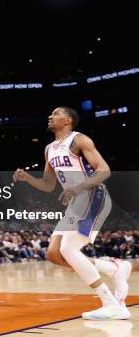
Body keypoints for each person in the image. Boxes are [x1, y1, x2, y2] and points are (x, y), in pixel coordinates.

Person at [14, 107, 131, 320]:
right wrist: (28, 178)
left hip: (92, 195)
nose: (50, 116)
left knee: (68, 249)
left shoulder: (79, 140)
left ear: (68, 120)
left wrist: (78, 188)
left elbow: (104, 169)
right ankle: (113, 267)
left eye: (55, 113)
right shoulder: (49, 149)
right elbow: (49, 185)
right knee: (54, 254)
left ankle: (111, 303)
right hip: (76, 202)